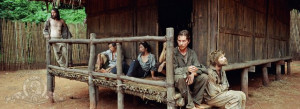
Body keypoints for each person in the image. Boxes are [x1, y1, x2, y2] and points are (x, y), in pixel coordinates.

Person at [173, 30, 208, 109]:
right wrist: (187, 70)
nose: (181, 43)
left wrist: (193, 74)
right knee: (180, 77)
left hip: (189, 79)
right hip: (178, 79)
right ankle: (190, 105)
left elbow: (198, 67)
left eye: (183, 41)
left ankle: (195, 101)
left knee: (204, 77)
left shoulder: (192, 53)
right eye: (179, 41)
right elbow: (174, 70)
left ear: (188, 41)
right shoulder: (173, 52)